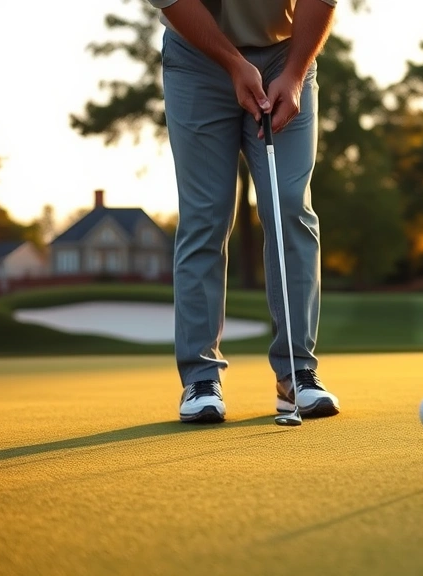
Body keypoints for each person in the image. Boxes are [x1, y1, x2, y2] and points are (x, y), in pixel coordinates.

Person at [148, 0, 340, 423]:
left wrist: (292, 75)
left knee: (289, 203)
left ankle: (297, 372)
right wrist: (234, 63)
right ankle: (200, 378)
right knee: (206, 213)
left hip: (286, 54)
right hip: (196, 58)